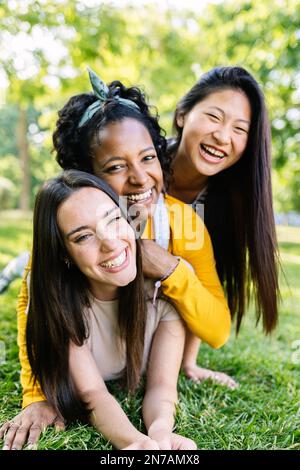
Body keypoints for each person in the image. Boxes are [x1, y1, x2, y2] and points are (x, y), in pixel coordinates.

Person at [1, 69, 232, 450]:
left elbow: (218, 329)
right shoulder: (68, 217)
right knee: (39, 266)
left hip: (143, 330)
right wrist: (35, 393)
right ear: (87, 176)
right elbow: (34, 300)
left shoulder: (180, 223)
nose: (141, 179)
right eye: (115, 167)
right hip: (85, 312)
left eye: (147, 158)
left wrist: (171, 270)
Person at [1, 170, 197, 451]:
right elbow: (93, 394)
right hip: (51, 278)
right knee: (24, 269)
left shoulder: (165, 289)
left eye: (114, 220)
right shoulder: (58, 300)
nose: (110, 243)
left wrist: (161, 436)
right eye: (83, 237)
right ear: (64, 254)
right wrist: (136, 444)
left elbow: (163, 388)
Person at [166, 66, 279, 380]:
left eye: (240, 129)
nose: (223, 136)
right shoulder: (141, 164)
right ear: (181, 115)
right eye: (214, 117)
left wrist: (188, 364)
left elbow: (205, 282)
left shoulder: (227, 202)